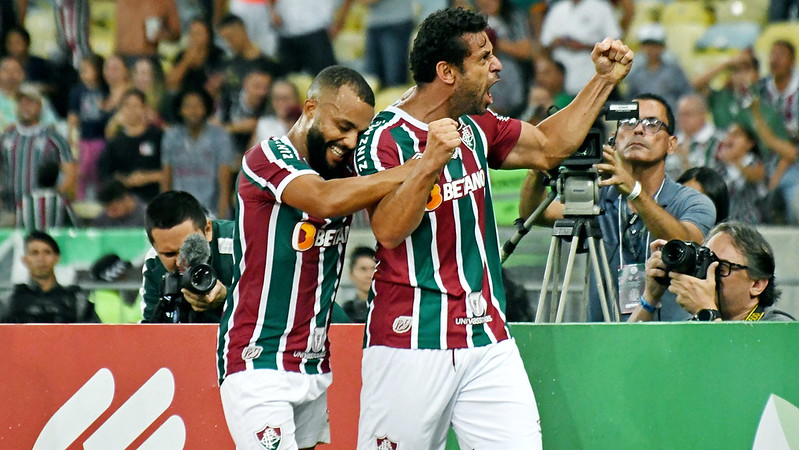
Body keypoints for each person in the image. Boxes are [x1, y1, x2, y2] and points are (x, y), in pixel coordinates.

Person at [352, 7, 632, 448]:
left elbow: (547, 147)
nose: (497, 66)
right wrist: (428, 164)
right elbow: (387, 231)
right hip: (410, 342)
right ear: (447, 72)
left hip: (487, 338)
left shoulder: (476, 124)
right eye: (483, 58)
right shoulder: (385, 137)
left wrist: (602, 80)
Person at [216, 65, 454, 450]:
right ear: (310, 108)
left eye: (359, 131)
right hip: (257, 359)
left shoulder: (343, 168)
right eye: (342, 125)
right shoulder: (266, 158)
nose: (350, 140)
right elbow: (324, 200)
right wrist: (417, 166)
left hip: (313, 362)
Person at [520, 93, 717, 322]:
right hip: (606, 340)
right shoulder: (597, 197)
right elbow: (534, 213)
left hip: (670, 340)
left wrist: (634, 190)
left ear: (671, 144)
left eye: (652, 124)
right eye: (629, 123)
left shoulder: (692, 201)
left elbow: (686, 240)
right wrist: (539, 164)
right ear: (613, 139)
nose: (639, 130)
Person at [629, 221, 795, 322]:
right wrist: (650, 298)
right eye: (706, 262)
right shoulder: (696, 324)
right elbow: (625, 360)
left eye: (721, 267)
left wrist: (707, 311)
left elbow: (738, 371)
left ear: (757, 284)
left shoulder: (779, 327)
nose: (709, 275)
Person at [141, 190, 234, 323]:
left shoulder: (241, 244)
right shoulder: (154, 262)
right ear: (154, 246)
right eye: (169, 254)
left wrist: (227, 296)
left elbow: (273, 302)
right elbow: (151, 328)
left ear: (207, 230)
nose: (181, 262)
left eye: (190, 248)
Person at [0, 84, 76, 226]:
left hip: (41, 212)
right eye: (21, 102)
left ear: (40, 106)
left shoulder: (53, 137)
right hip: (9, 210)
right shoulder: (7, 136)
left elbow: (70, 171)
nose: (25, 106)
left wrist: (55, 196)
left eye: (30, 102)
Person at [162, 88, 234, 218]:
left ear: (206, 108)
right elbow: (167, 176)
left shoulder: (220, 136)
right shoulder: (171, 136)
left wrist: (222, 218)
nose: (193, 111)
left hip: (211, 211)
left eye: (197, 105)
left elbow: (225, 180)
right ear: (180, 109)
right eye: (188, 106)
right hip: (179, 212)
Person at [1, 231, 99, 323]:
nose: (41, 259)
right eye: (34, 253)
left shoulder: (76, 301)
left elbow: (96, 335)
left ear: (57, 258)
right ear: (25, 260)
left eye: (47, 252)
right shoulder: (11, 301)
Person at [540, 0, 622, 96]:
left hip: (592, 77)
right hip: (562, 83)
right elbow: (544, 44)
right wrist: (558, 42)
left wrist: (583, 46)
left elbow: (615, 43)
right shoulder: (558, 9)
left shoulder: (601, 7)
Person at [98, 88, 164, 203]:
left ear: (144, 108)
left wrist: (148, 177)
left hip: (155, 200)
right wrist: (124, 180)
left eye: (136, 106)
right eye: (127, 106)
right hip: (126, 205)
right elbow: (105, 174)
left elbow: (174, 170)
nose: (131, 110)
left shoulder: (158, 136)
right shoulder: (115, 142)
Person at [624, 23, 693, 113]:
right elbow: (630, 100)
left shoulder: (674, 71)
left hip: (672, 120)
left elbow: (687, 95)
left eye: (655, 45)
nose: (651, 49)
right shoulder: (637, 74)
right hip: (644, 121)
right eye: (647, 45)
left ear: (663, 47)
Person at [67, 53, 108, 200]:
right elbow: (73, 116)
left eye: (87, 69)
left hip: (100, 137)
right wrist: (71, 135)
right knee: (82, 171)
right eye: (82, 70)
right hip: (84, 138)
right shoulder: (77, 91)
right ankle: (80, 198)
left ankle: (101, 198)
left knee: (98, 171)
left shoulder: (105, 89)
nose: (83, 74)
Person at [710, 121, 768, 224]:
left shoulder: (755, 163)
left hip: (752, 221)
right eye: (728, 134)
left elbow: (756, 176)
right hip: (724, 223)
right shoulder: (719, 168)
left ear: (750, 143)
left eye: (736, 135)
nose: (730, 138)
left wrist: (734, 162)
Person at [666, 94, 723, 180]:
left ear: (703, 115)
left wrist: (684, 160)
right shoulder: (673, 141)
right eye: (680, 114)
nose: (682, 119)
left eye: (688, 114)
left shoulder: (719, 142)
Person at [341, 246, 375, 323]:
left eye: (374, 269)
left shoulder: (390, 309)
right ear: (351, 273)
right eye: (363, 269)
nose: (369, 275)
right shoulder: (345, 313)